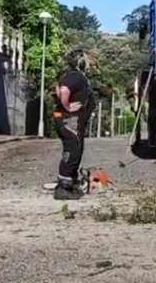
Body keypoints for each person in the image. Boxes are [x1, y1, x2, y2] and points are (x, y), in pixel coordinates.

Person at [52, 49, 96, 200]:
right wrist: (67, 106)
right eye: (87, 60)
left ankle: (69, 183)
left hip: (72, 119)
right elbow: (63, 89)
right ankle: (63, 188)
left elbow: (58, 87)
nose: (89, 63)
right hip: (69, 119)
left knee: (76, 149)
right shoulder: (75, 76)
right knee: (72, 150)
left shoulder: (74, 76)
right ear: (80, 62)